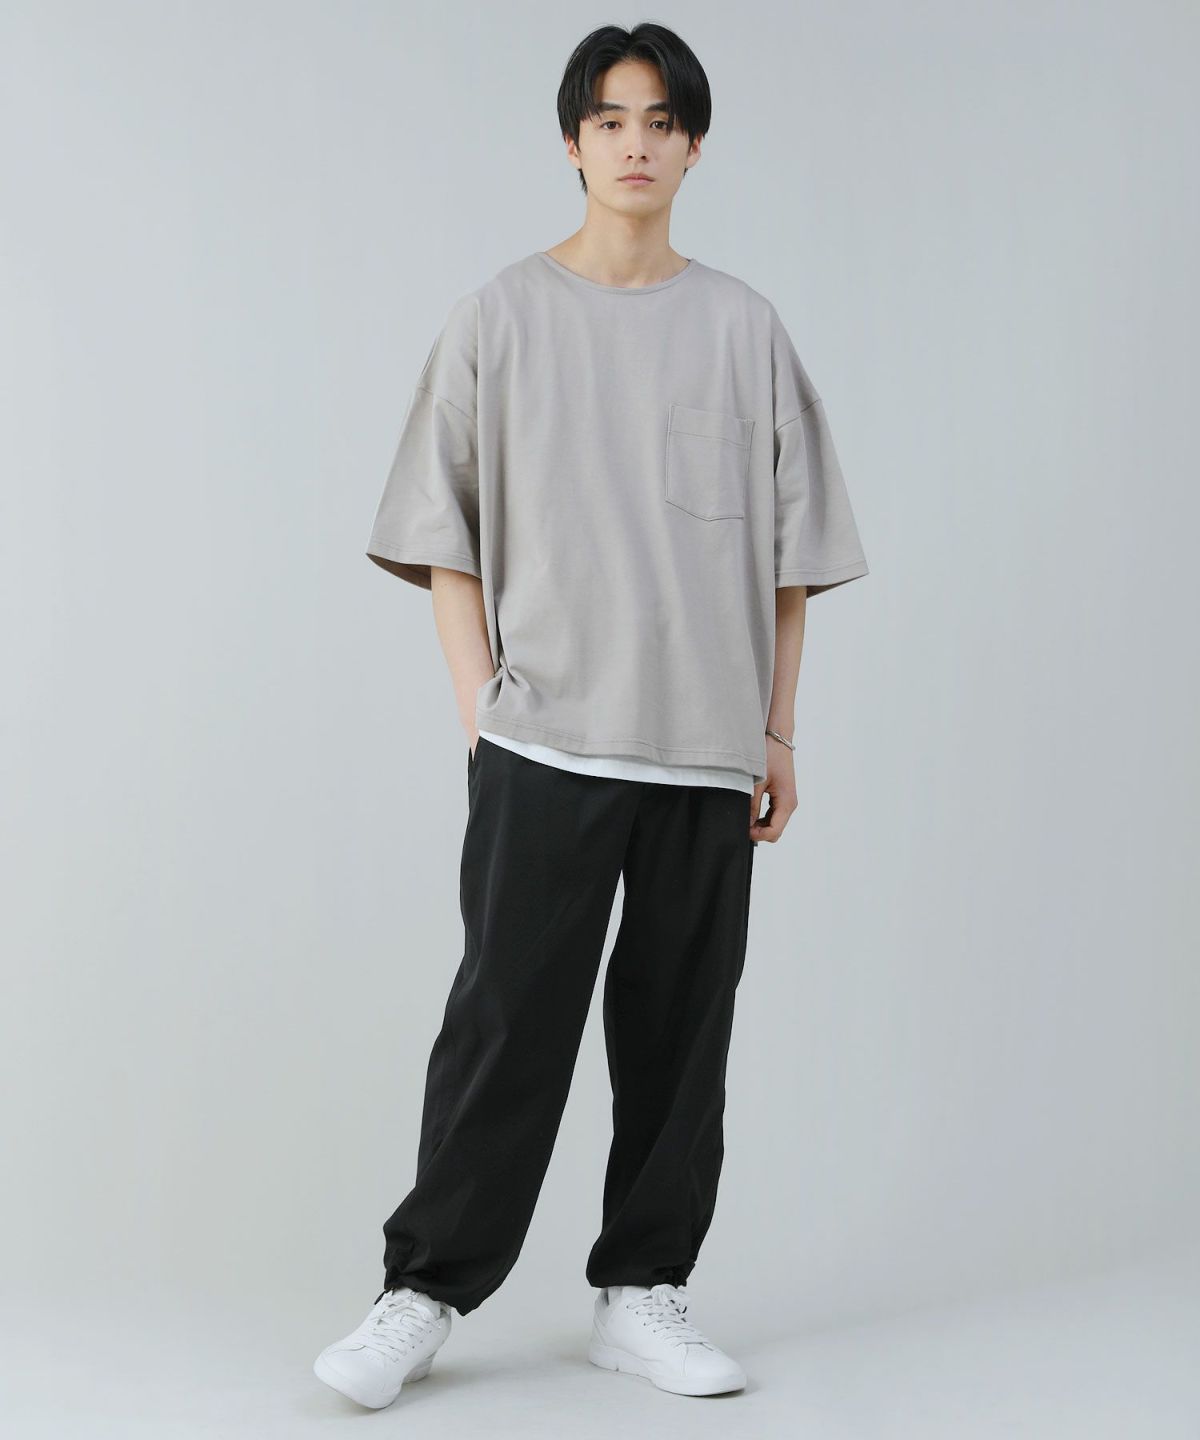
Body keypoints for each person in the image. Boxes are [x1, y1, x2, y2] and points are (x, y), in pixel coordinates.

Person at [314, 20, 868, 1410]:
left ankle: (642, 1292)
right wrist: (482, 716)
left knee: (681, 1031)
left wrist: (777, 735)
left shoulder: (743, 329)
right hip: (545, 738)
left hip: (703, 749)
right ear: (571, 141)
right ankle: (422, 1292)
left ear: (694, 146)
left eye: (661, 121)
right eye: (611, 119)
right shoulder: (500, 318)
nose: (635, 144)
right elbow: (443, 537)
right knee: (505, 1025)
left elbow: (790, 560)